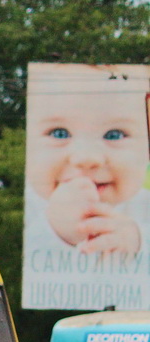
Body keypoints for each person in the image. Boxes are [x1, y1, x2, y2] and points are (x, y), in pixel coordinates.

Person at [25, 65, 150, 258]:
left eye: (114, 135)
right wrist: (56, 231)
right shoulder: (31, 207)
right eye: (59, 133)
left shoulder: (144, 207)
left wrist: (138, 242)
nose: (87, 158)